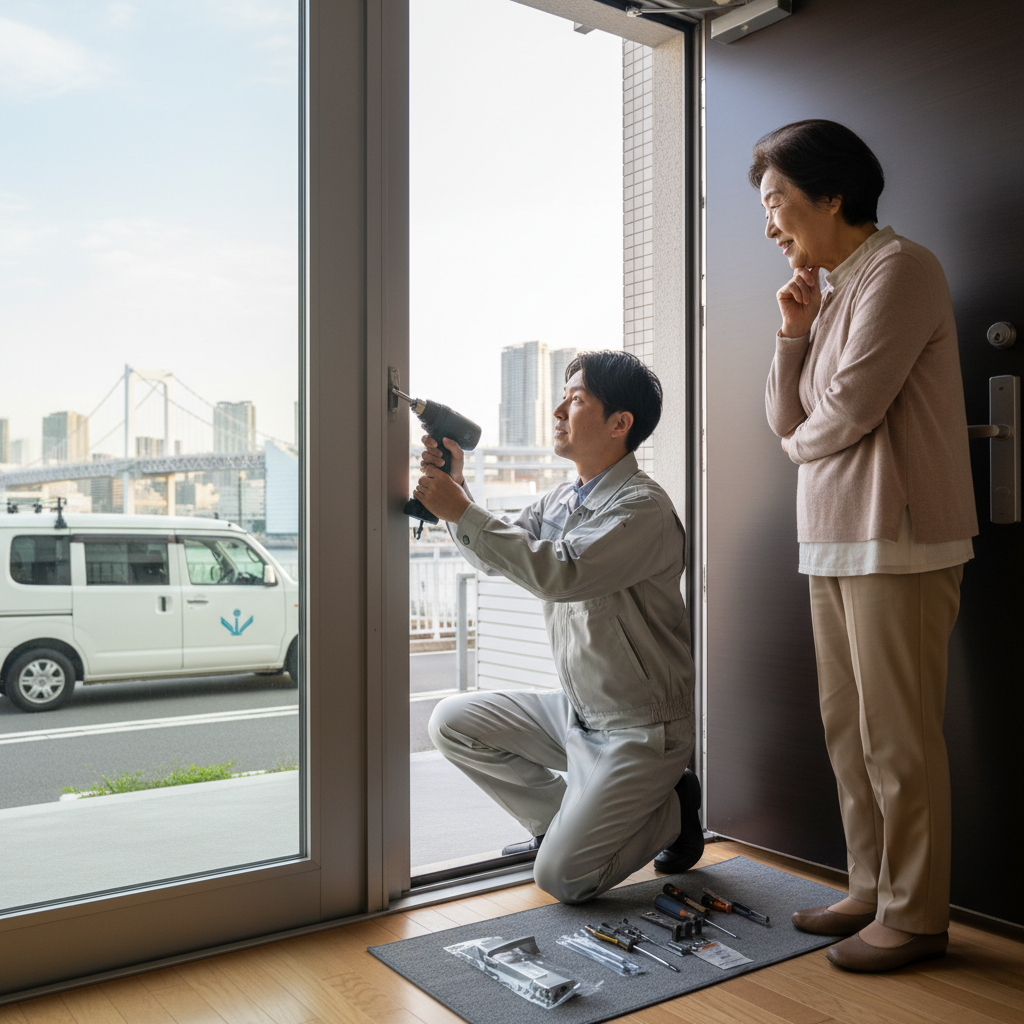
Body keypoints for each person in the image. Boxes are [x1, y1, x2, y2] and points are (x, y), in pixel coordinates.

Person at [755, 120, 977, 971]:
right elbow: (789, 414)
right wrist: (793, 331)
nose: (771, 224)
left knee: (898, 736)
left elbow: (849, 410)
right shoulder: (830, 287)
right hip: (832, 537)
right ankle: (870, 885)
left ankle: (917, 915)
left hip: (900, 534)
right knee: (848, 731)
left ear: (832, 194)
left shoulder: (902, 269)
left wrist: (795, 442)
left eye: (777, 202)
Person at [414, 350, 702, 905]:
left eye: (576, 400)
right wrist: (460, 493)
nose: (558, 412)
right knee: (452, 721)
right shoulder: (561, 500)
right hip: (577, 711)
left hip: (641, 726)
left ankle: (671, 806)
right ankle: (556, 824)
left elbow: (561, 572)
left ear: (621, 424)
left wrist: (462, 512)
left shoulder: (642, 509)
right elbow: (493, 552)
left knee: (562, 880)